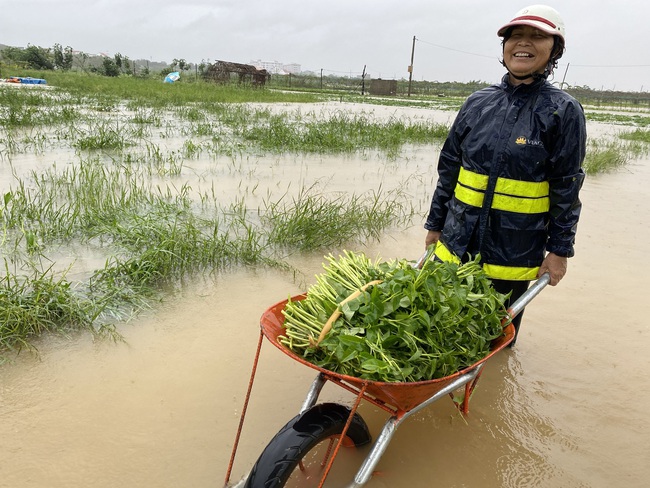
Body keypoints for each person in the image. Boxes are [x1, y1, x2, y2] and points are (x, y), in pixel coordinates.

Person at [424, 5, 586, 345]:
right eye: (515, 36)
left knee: (493, 344)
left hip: (511, 259)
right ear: (504, 47)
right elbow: (449, 168)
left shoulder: (563, 111)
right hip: (454, 248)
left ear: (554, 50)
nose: (523, 43)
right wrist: (435, 225)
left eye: (537, 36)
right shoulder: (477, 103)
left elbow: (566, 188)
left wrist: (559, 251)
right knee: (435, 336)